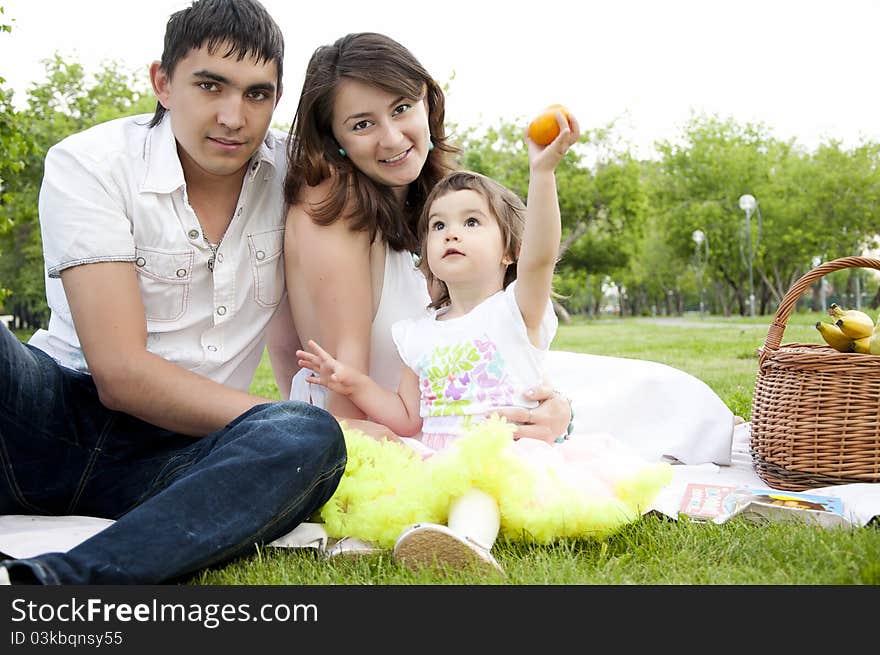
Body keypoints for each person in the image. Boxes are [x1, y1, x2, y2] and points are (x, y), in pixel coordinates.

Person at [0, 0, 345, 585]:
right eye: (210, 85)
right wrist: (272, 413)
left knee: (307, 433)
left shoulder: (300, 177)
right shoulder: (90, 162)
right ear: (162, 82)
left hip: (184, 459)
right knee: (288, 422)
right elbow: (121, 374)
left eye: (257, 94)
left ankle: (60, 586)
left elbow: (413, 197)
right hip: (50, 417)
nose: (234, 116)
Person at [298, 135, 671, 573]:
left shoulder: (515, 312)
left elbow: (541, 258)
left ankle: (468, 542)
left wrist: (543, 173)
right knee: (398, 478)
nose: (451, 232)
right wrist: (353, 383)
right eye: (438, 226)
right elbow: (407, 418)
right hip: (435, 452)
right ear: (427, 254)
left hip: (505, 456)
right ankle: (379, 534)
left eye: (472, 222)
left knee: (475, 485)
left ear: (510, 251)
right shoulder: (417, 334)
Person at [274, 31, 573, 444]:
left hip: (438, 418)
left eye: (401, 108)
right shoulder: (333, 203)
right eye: (362, 124)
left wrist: (554, 409)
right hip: (378, 431)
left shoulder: (439, 204)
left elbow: (496, 338)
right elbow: (343, 402)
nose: (393, 138)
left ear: (427, 103)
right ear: (334, 141)